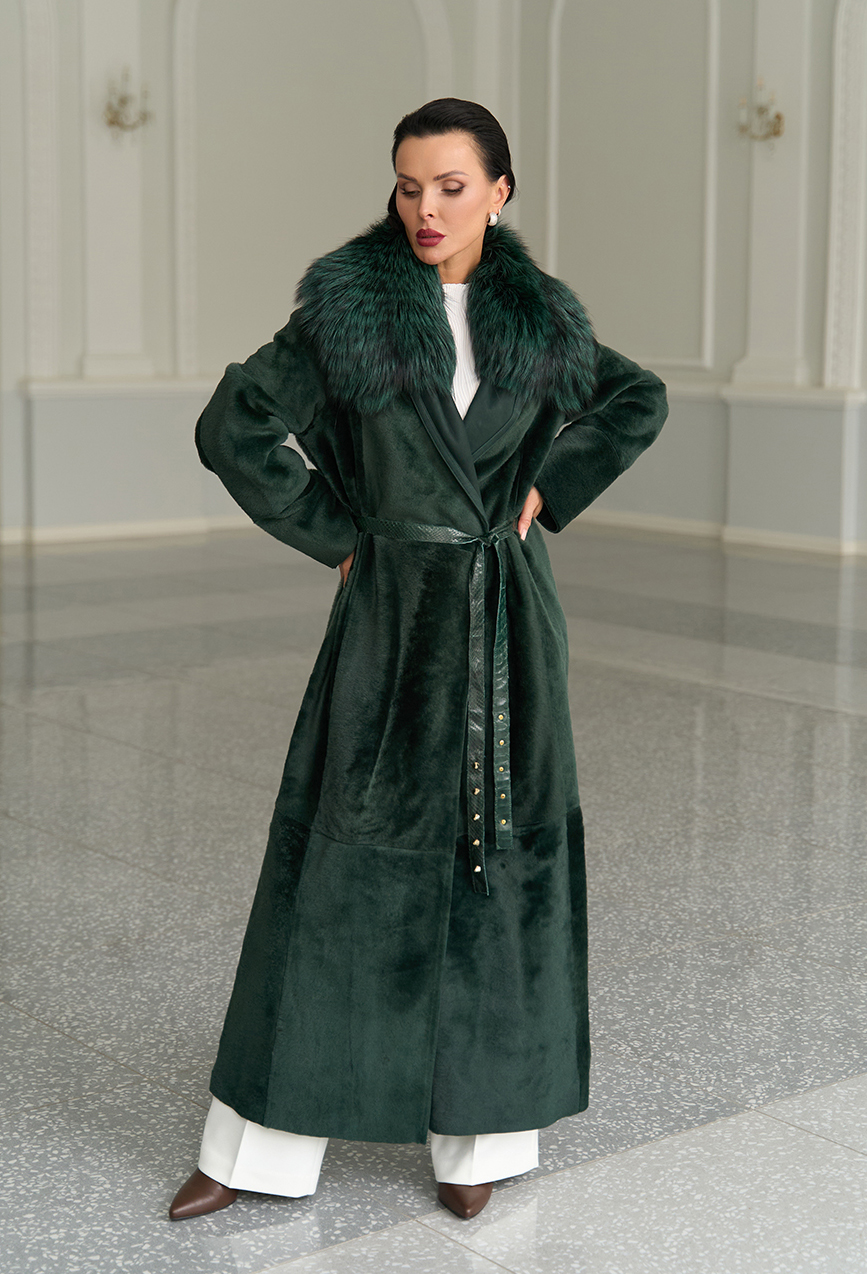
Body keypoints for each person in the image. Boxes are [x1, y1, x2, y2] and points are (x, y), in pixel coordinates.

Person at [169, 98, 667, 1223]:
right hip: (393, 622)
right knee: (335, 868)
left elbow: (638, 397)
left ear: (499, 192)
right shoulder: (351, 311)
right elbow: (233, 425)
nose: (426, 208)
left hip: (508, 623)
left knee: (500, 865)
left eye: (450, 186)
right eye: (408, 185)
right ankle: (255, 1148)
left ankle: (476, 1136)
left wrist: (550, 488)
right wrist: (341, 535)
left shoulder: (540, 321)